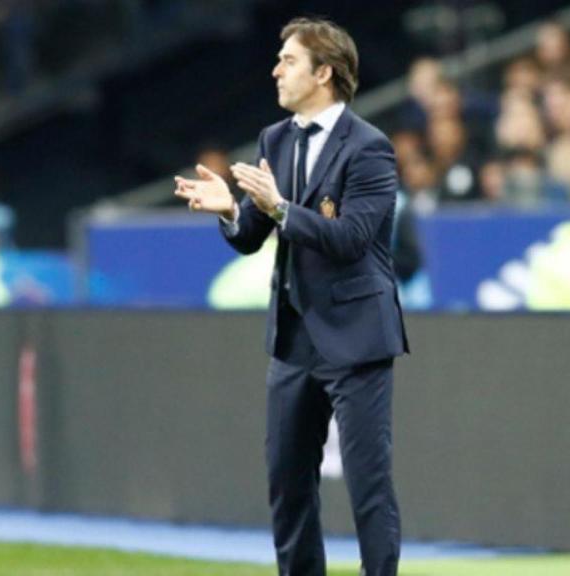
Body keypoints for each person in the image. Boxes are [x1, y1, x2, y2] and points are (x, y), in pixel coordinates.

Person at [173, 17, 407, 576]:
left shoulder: (371, 149)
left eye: (290, 60)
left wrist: (280, 209)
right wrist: (231, 208)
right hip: (294, 337)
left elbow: (351, 240)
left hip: (356, 336)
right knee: (287, 481)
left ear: (324, 72)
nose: (276, 69)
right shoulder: (274, 140)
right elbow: (254, 237)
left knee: (368, 485)